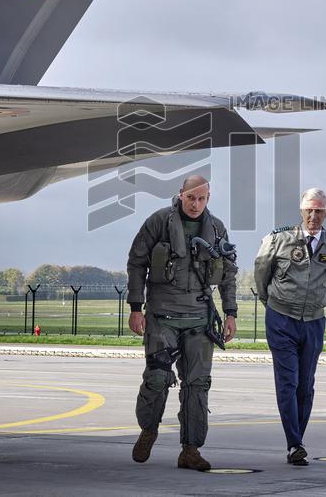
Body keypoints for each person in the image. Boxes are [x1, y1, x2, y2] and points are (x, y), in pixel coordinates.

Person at [126, 175, 238, 471]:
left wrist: (230, 312)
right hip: (162, 316)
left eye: (201, 199)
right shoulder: (158, 222)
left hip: (200, 318)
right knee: (158, 377)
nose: (196, 204)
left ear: (208, 198)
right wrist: (136, 307)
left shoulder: (216, 228)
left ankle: (190, 450)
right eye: (191, 198)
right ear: (181, 195)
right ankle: (149, 430)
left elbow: (228, 273)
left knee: (197, 385)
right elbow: (136, 262)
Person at [254, 188, 326, 466]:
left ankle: (297, 441)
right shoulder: (278, 240)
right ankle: (294, 443)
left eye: (319, 211)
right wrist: (273, 303)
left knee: (305, 386)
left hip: (314, 322)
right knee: (288, 382)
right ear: (301, 211)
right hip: (281, 319)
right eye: (309, 210)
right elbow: (261, 274)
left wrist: (320, 300)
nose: (314, 216)